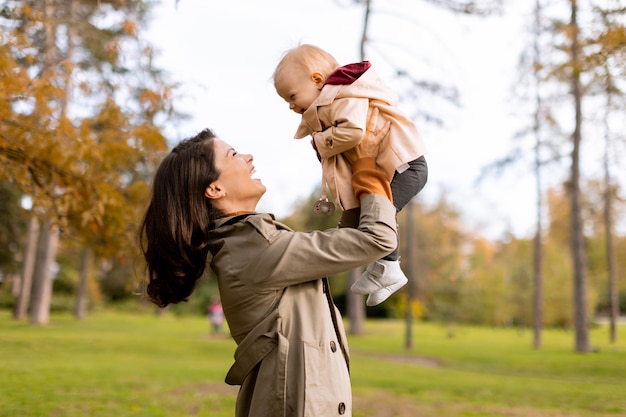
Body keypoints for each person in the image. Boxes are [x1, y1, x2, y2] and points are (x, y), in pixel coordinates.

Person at [139, 109, 396, 417]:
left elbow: (348, 243)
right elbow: (377, 238)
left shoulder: (246, 243)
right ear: (215, 189)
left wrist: (347, 165)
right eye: (233, 154)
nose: (247, 157)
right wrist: (366, 165)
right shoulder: (255, 247)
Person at [273, 44, 429, 306]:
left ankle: (388, 267)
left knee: (381, 213)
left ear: (317, 80)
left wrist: (321, 141)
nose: (290, 106)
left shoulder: (343, 97)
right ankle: (382, 268)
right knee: (358, 219)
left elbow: (354, 132)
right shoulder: (329, 103)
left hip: (406, 164)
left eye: (291, 96)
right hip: (389, 165)